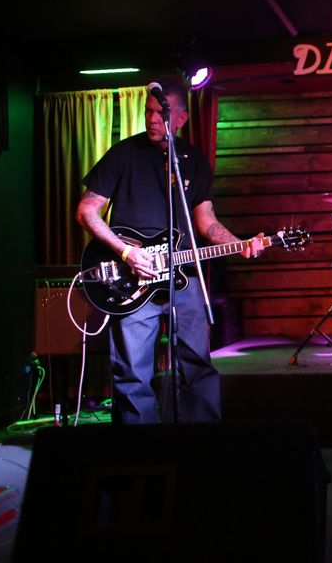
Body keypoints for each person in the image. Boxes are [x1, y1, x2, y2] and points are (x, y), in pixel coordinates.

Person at [76, 80, 265, 424]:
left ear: (180, 118)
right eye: (147, 111)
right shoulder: (123, 154)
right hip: (134, 276)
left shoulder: (193, 162)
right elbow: (86, 211)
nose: (152, 119)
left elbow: (206, 221)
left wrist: (240, 243)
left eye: (160, 113)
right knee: (133, 372)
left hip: (184, 277)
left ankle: (201, 441)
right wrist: (125, 253)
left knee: (197, 365)